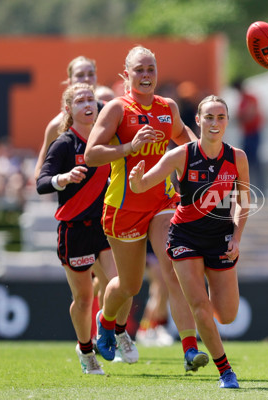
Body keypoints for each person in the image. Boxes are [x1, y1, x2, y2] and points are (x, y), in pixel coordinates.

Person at [84, 46, 203, 372]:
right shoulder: (116, 109)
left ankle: (190, 350)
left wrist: (200, 159)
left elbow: (183, 137)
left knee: (173, 269)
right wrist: (129, 148)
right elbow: (92, 154)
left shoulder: (168, 107)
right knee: (130, 286)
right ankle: (106, 321)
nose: (147, 75)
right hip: (123, 207)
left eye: (151, 68)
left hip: (162, 201)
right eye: (140, 70)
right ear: (128, 74)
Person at [129, 95, 248, 389]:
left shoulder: (237, 157)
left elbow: (244, 202)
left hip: (220, 240)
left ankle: (211, 333)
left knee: (228, 314)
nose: (214, 123)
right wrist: (135, 181)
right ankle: (225, 372)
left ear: (227, 121)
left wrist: (236, 237)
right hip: (184, 237)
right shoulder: (182, 154)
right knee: (199, 306)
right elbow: (145, 183)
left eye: (220, 117)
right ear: (197, 120)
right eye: (209, 117)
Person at [35, 82, 132, 374]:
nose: (88, 104)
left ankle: (113, 328)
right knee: (84, 298)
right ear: (69, 109)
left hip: (103, 227)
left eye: (91, 99)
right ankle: (85, 349)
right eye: (80, 101)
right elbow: (42, 182)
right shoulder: (65, 143)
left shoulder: (106, 140)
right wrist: (62, 179)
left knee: (123, 285)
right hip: (73, 229)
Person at [34, 56, 102, 180]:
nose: (86, 79)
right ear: (70, 82)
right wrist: (66, 178)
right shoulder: (57, 126)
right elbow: (40, 174)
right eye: (80, 75)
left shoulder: (111, 111)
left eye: (91, 74)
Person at [135, 241, 175, 347]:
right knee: (161, 286)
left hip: (165, 249)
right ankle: (156, 326)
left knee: (159, 290)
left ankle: (148, 327)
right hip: (148, 250)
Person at [233, 78, 265, 191]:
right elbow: (240, 118)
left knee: (255, 160)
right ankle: (248, 186)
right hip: (246, 133)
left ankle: (261, 187)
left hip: (254, 132)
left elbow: (250, 115)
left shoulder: (250, 98)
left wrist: (243, 117)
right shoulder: (242, 101)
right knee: (246, 160)